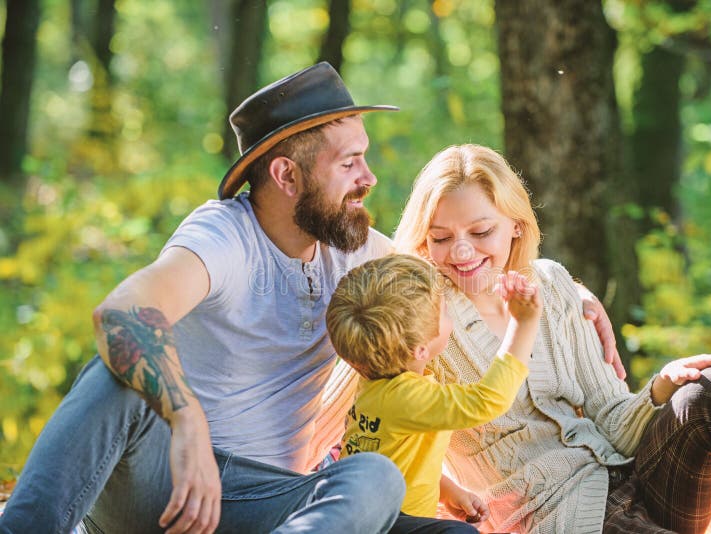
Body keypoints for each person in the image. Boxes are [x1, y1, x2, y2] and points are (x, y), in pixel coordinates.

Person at [0, 63, 619, 533]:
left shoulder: (353, 248)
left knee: (377, 477)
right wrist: (185, 422)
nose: (369, 179)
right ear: (287, 176)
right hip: (167, 484)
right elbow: (123, 312)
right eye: (349, 163)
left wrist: (575, 295)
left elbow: (461, 263)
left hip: (280, 506)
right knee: (116, 377)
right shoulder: (223, 237)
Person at [388, 144, 711, 534]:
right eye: (440, 238)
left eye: (480, 232)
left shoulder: (551, 282)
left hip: (633, 476)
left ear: (515, 225)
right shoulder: (419, 316)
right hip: (558, 516)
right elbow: (376, 419)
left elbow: (613, 420)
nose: (460, 252)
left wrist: (661, 386)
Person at [327, 253, 542, 532]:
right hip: (389, 524)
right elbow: (486, 402)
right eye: (443, 310)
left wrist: (447, 489)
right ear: (420, 350)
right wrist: (523, 324)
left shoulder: (377, 384)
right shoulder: (406, 398)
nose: (448, 309)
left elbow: (396, 456)